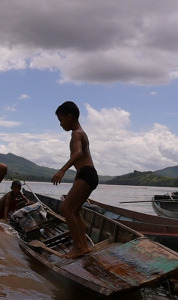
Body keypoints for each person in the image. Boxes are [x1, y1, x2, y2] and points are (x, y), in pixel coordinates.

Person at [51, 101, 99, 259]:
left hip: (86, 173)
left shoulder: (76, 133)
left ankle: (78, 246)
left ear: (69, 117)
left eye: (61, 120)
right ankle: (84, 246)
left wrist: (62, 170)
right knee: (75, 210)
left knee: (66, 208)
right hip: (88, 174)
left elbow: (77, 154)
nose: (60, 124)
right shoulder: (81, 132)